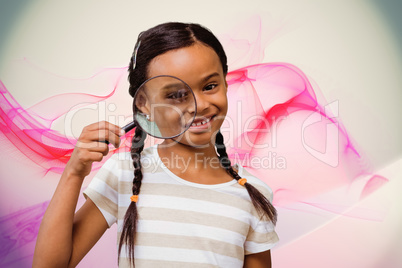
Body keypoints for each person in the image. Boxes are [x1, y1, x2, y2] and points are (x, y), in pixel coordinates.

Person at [33, 22, 279, 268]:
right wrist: (74, 172)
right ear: (144, 104)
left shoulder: (253, 193)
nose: (199, 105)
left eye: (210, 86)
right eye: (175, 95)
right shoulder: (124, 173)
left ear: (225, 84)